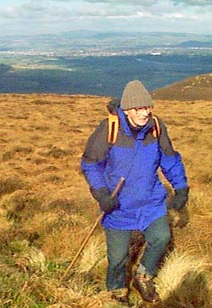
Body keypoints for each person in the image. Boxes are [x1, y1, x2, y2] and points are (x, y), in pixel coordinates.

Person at [81, 80, 189, 304]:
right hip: (118, 205)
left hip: (151, 201)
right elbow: (91, 164)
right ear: (128, 110)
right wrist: (101, 193)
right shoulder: (109, 129)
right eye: (139, 108)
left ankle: (143, 276)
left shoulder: (156, 127)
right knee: (118, 258)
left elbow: (170, 160)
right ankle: (117, 290)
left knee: (161, 238)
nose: (145, 113)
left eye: (148, 107)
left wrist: (181, 188)